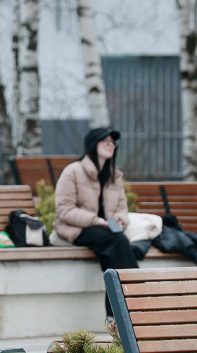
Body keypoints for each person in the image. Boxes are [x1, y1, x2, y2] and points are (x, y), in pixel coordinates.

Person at [54, 127, 139, 332]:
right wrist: (95, 220)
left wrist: (120, 219)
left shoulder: (114, 175)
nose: (111, 144)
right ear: (93, 145)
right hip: (75, 228)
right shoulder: (73, 171)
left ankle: (115, 316)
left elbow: (122, 208)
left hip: (106, 231)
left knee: (116, 247)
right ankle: (133, 301)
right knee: (117, 243)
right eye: (105, 141)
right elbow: (63, 210)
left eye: (113, 142)